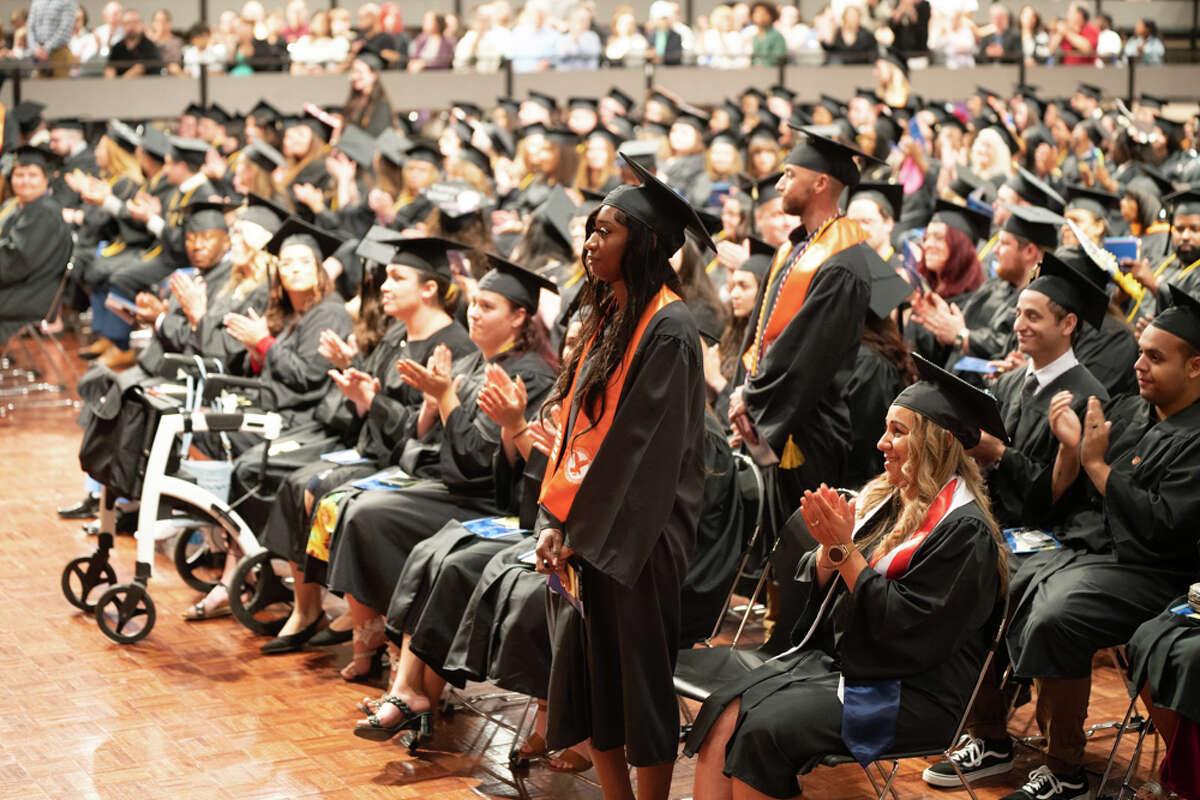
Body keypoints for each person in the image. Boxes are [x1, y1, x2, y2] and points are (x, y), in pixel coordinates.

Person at [688, 354, 1009, 800]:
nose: (881, 443)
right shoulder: (894, 500)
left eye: (898, 432)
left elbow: (908, 627)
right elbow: (831, 589)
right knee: (725, 712)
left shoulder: (964, 531)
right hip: (855, 661)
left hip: (912, 691)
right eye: (885, 429)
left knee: (763, 729)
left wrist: (844, 550)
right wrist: (827, 550)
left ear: (935, 443)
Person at [930, 284, 1200, 800]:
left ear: (1195, 367)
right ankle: (988, 735)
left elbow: (1164, 529)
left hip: (1157, 570)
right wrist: (1075, 454)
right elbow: (1073, 498)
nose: (1139, 364)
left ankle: (1064, 769)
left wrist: (1096, 465)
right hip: (1095, 550)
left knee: (1060, 614)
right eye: (1140, 352)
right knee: (987, 570)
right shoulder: (1133, 410)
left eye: (1155, 357)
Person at [526, 153, 708, 800]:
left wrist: (580, 529)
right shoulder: (607, 317)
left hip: (641, 535)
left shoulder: (672, 328)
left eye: (608, 231)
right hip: (589, 526)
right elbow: (579, 427)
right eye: (591, 229)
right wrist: (557, 520)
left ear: (647, 244)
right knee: (591, 676)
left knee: (637, 681)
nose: (591, 241)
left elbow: (643, 452)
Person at [254, 235, 476, 650]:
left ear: (429, 289)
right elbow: (373, 395)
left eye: (396, 277)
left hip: (407, 462)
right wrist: (355, 379)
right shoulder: (397, 334)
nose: (384, 286)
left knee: (322, 490)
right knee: (297, 482)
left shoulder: (452, 348)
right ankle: (308, 609)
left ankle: (364, 625)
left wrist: (370, 399)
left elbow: (426, 429)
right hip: (372, 447)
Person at [729, 129, 882, 647]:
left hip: (810, 427)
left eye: (789, 174)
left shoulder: (845, 261)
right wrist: (743, 389)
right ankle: (780, 635)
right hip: (785, 415)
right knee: (778, 542)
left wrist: (753, 401)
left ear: (821, 182)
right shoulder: (798, 248)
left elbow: (808, 356)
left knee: (804, 543)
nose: (778, 183)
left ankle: (803, 645)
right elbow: (765, 334)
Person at [0, 146, 73, 345]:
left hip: (34, 294)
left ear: (45, 178)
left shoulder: (43, 213)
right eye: (19, 174)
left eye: (33, 175)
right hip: (24, 287)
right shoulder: (22, 206)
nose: (25, 181)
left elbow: (15, 262)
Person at [342, 49, 393, 136]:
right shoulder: (354, 101)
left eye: (359, 72)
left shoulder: (381, 106)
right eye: (353, 71)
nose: (354, 76)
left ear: (373, 74)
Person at [103, 9, 161, 77]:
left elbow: (140, 69)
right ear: (122, 25)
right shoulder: (117, 48)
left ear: (141, 24)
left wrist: (121, 83)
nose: (131, 26)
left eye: (135, 22)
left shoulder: (150, 47)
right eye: (128, 23)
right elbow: (110, 68)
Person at [27, 0, 76, 78]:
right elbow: (30, 28)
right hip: (39, 55)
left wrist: (46, 48)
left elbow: (65, 28)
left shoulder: (68, 1)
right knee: (39, 88)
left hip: (59, 52)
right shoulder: (36, 2)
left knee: (61, 88)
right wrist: (35, 49)